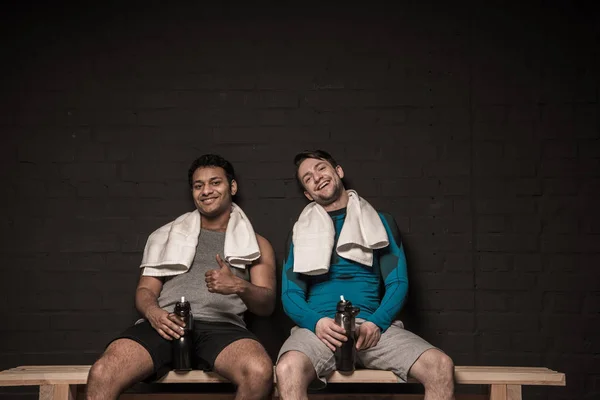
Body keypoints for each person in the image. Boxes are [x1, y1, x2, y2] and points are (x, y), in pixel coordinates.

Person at [86, 154, 276, 400]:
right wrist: (154, 314)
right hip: (166, 324)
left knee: (259, 371)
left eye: (215, 182)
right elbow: (145, 290)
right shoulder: (165, 236)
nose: (206, 191)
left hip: (222, 328)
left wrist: (238, 285)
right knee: (103, 372)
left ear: (232, 186)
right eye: (199, 185)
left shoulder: (257, 244)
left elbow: (267, 305)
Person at [276, 150, 455, 400]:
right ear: (308, 194)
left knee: (440, 365)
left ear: (338, 171)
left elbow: (398, 282)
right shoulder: (298, 233)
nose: (316, 177)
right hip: (321, 329)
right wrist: (316, 322)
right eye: (308, 178)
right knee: (287, 368)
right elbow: (290, 294)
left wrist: (377, 322)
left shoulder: (381, 222)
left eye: (321, 168)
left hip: (372, 326)